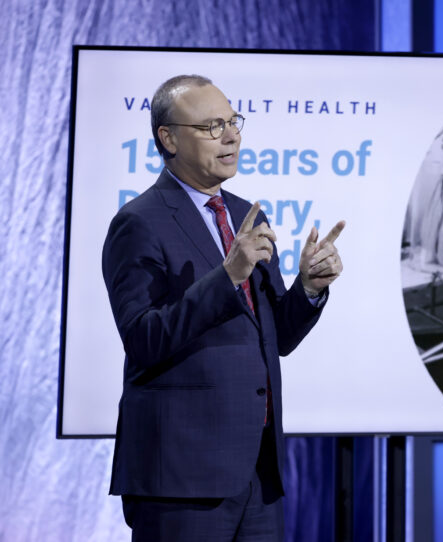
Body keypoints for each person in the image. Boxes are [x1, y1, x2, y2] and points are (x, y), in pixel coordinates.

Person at [102, 74, 344, 541]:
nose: (231, 136)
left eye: (233, 122)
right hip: (181, 478)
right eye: (213, 126)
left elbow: (277, 338)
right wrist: (228, 275)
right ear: (169, 139)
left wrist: (309, 288)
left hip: (256, 472)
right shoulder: (138, 223)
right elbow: (144, 339)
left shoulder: (244, 215)